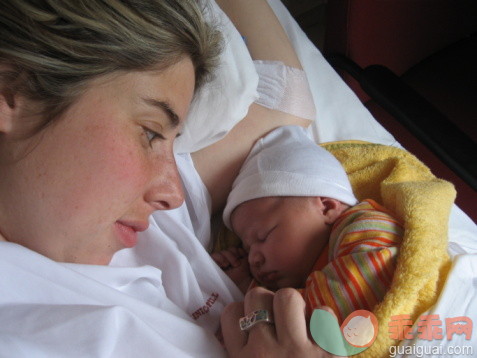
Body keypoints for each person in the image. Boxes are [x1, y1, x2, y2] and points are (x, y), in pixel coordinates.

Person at [0, 0, 338, 356]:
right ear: (9, 90)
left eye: (172, 140)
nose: (173, 194)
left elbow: (287, 101)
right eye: (150, 133)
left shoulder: (124, 221)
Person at [213, 125, 404, 323]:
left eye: (263, 236)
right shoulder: (301, 279)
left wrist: (255, 317)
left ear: (327, 207)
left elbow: (346, 304)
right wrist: (244, 285)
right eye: (247, 248)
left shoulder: (367, 228)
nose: (253, 258)